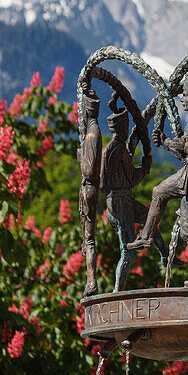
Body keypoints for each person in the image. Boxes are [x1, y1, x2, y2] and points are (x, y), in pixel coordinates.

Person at [127, 65, 188, 287]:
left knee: (160, 194)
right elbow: (183, 149)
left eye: (186, 95)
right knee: (187, 228)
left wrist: (186, 146)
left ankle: (148, 235)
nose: (183, 99)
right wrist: (167, 142)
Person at [100, 93, 167, 291]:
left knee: (149, 217)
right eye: (126, 126)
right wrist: (145, 167)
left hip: (114, 201)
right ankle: (117, 291)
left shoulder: (108, 149)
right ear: (122, 128)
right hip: (121, 201)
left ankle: (164, 254)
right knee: (127, 251)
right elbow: (131, 179)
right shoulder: (119, 150)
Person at [78, 88, 103, 297]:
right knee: (87, 238)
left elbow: (90, 168)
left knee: (90, 238)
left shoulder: (92, 135)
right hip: (88, 188)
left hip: (89, 188)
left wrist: (80, 159)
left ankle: (91, 279)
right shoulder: (91, 132)